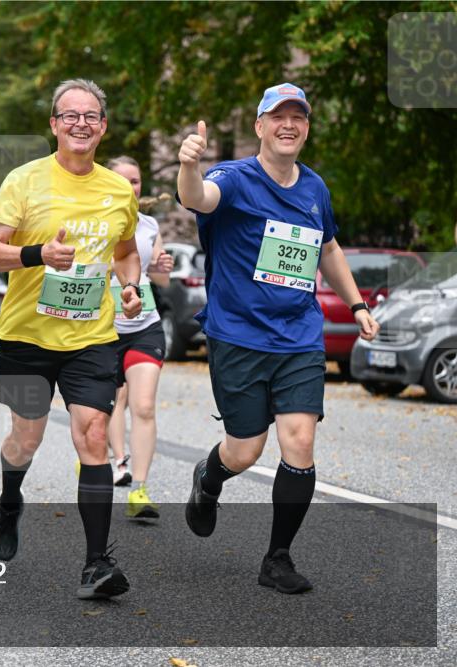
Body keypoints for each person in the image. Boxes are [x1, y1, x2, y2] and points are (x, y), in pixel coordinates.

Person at [177, 83, 379, 594]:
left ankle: (278, 559)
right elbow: (198, 196)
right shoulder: (234, 178)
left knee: (300, 441)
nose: (289, 125)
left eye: (299, 117)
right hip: (240, 336)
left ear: (306, 127)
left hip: (298, 336)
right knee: (245, 451)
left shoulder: (314, 189)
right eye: (278, 116)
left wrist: (356, 305)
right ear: (260, 126)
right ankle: (209, 478)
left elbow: (327, 248)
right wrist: (188, 165)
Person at [0, 79, 143, 600]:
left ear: (103, 127)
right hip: (25, 338)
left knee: (93, 437)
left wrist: (132, 286)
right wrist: (37, 255)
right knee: (26, 439)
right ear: (54, 125)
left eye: (91, 116)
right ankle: (10, 500)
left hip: (91, 338)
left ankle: (97, 563)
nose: (80, 123)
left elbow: (125, 252)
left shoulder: (118, 190)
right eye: (69, 115)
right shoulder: (23, 181)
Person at [104, 156, 174, 519]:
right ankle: (117, 461)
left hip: (144, 325)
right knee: (111, 403)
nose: (132, 188)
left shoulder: (148, 225)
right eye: (124, 181)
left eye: (136, 181)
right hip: (103, 328)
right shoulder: (95, 220)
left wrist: (163, 269)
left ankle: (139, 489)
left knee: (143, 405)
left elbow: (159, 280)